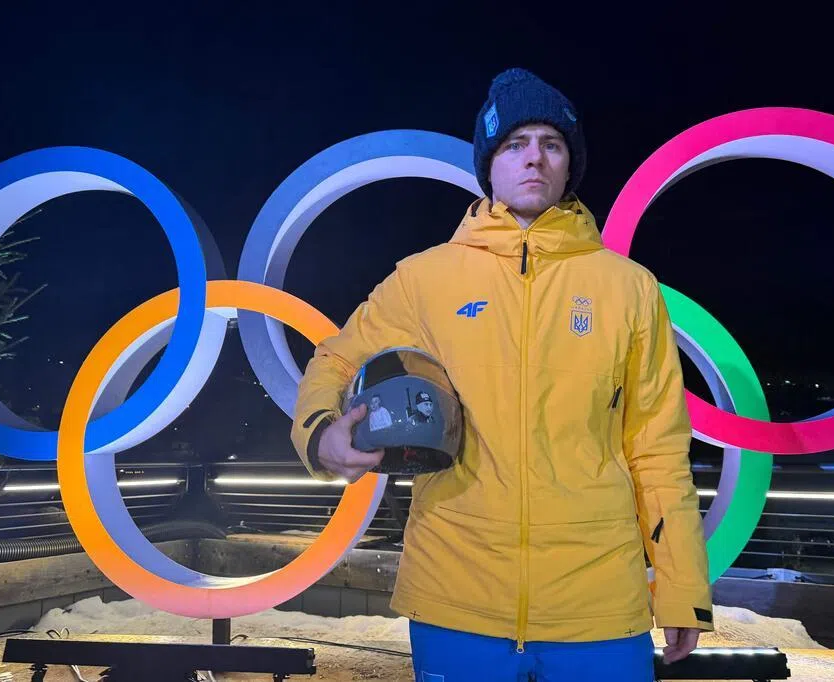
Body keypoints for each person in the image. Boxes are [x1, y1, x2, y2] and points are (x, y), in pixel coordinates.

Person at [292, 68, 712, 681]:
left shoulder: (629, 288)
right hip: (454, 592)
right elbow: (336, 359)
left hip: (598, 603)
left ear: (570, 165)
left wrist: (680, 587)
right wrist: (320, 433)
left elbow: (658, 447)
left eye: (551, 143)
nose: (533, 158)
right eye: (515, 144)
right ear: (489, 163)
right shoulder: (424, 278)